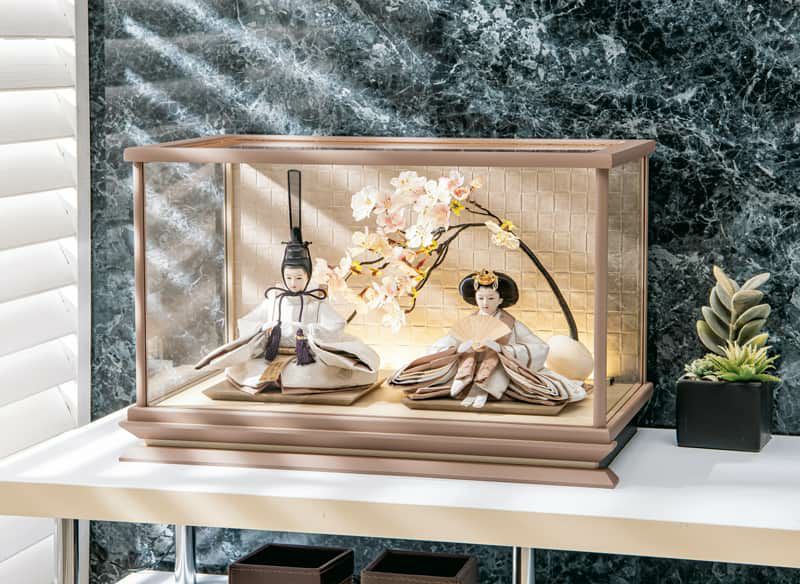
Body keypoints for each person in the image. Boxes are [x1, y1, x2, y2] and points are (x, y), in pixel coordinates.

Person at [195, 170, 379, 395]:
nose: (293, 283)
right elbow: (249, 320)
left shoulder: (315, 301)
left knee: (310, 375)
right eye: (289, 277)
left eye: (299, 278)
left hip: (307, 355)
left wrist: (310, 331)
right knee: (246, 371)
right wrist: (264, 328)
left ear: (308, 276)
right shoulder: (275, 299)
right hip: (272, 352)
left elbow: (336, 324)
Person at [390, 269, 586, 408]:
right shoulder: (470, 321)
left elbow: (539, 347)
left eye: (491, 298)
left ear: (500, 300)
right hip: (468, 362)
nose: (485, 303)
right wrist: (459, 348)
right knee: (457, 365)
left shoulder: (511, 323)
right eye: (481, 298)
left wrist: (504, 350)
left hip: (500, 365)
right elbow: (447, 341)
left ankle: (483, 392)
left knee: (497, 365)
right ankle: (468, 391)